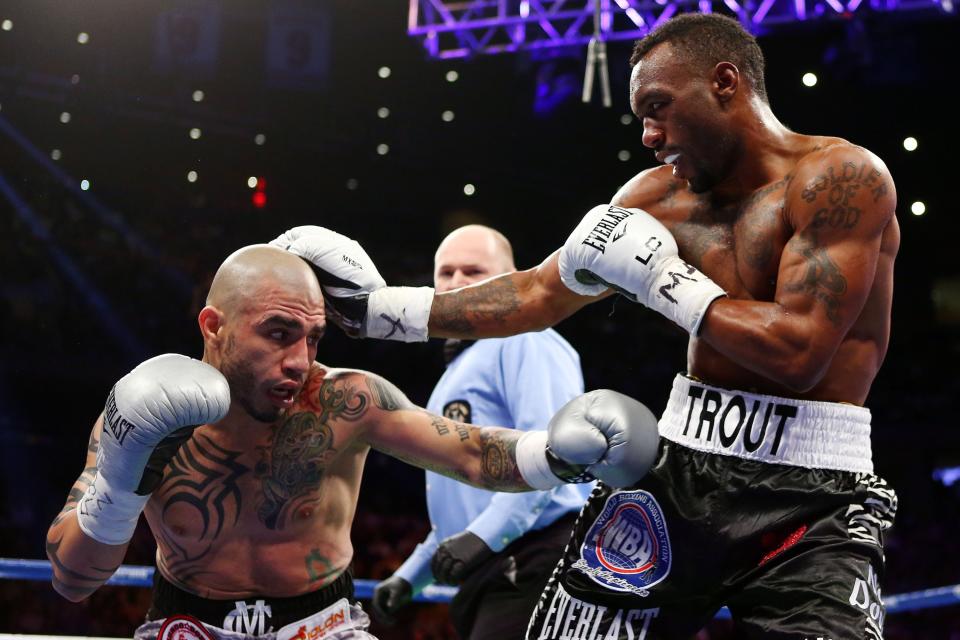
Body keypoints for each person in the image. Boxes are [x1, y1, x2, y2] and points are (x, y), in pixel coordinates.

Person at [272, 12, 900, 639]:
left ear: (726, 82)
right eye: (641, 117)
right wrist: (379, 310)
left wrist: (662, 280)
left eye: (659, 106)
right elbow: (537, 292)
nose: (650, 136)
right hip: (682, 472)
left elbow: (799, 352)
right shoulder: (652, 200)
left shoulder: (841, 180)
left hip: (815, 493)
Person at [44, 245, 660, 640]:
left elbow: (472, 452)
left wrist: (556, 455)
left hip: (324, 626)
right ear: (214, 326)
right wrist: (124, 481)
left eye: (312, 338)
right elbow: (75, 580)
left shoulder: (346, 400)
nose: (298, 361)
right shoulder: (141, 417)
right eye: (278, 333)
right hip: (187, 624)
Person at [371, 225, 591, 638]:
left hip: (534, 559)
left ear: (511, 279)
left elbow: (549, 457)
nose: (457, 284)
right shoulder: (460, 368)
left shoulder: (528, 340)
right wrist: (412, 576)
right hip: (495, 565)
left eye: (473, 271)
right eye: (446, 273)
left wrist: (484, 537)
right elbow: (463, 501)